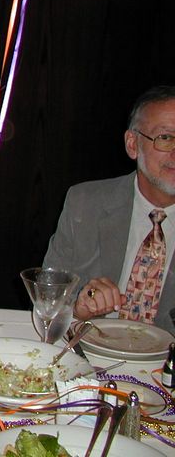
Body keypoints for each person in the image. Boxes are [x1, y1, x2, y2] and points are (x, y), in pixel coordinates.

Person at [43, 85, 175, 331]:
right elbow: (47, 297)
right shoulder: (85, 203)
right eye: (166, 138)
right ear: (132, 144)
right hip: (91, 348)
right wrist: (78, 308)